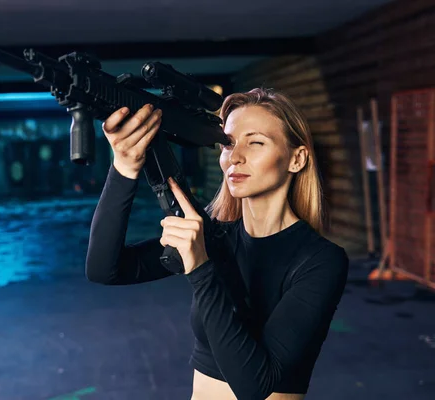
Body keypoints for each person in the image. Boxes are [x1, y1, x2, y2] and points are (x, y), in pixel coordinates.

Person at [85, 88, 349, 400]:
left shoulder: (320, 261)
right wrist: (125, 168)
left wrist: (201, 269)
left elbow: (256, 385)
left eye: (256, 142)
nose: (235, 157)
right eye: (229, 143)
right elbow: (105, 270)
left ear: (297, 158)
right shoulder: (217, 237)